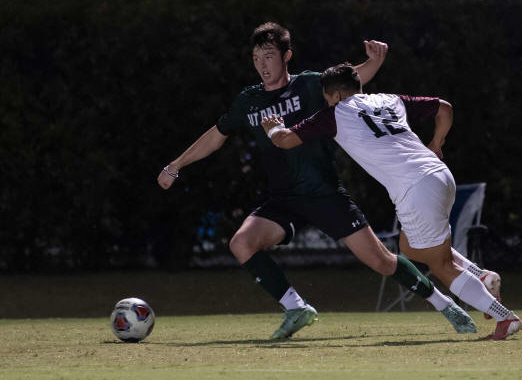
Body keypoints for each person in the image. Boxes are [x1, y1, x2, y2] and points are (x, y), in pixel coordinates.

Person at [158, 22, 476, 339]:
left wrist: (374, 62)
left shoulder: (309, 85)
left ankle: (445, 304)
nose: (262, 65)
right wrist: (176, 164)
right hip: (283, 199)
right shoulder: (249, 101)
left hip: (324, 193)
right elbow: (217, 134)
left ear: (286, 56)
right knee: (241, 243)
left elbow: (351, 81)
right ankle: (296, 308)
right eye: (256, 58)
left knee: (381, 261)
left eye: (268, 56)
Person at [261, 63, 522, 340]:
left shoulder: (335, 113)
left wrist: (272, 129)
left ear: (335, 95)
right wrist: (436, 144)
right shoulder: (389, 99)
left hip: (415, 187)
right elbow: (444, 108)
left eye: (327, 98)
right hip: (440, 175)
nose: (328, 103)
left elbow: (285, 140)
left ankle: (504, 317)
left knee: (440, 265)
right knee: (409, 247)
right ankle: (481, 275)